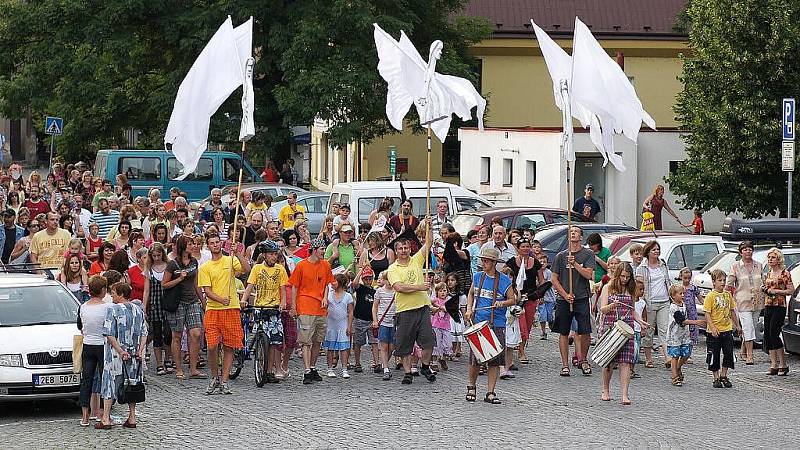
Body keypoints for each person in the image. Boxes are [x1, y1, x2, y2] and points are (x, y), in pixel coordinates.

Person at [198, 233, 250, 395]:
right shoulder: (205, 267)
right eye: (212, 243)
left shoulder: (230, 259)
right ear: (208, 246)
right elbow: (206, 290)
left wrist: (239, 253)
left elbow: (246, 269)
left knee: (229, 346)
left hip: (231, 309)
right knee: (212, 346)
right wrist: (221, 299)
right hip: (213, 310)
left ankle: (225, 381)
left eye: (217, 242)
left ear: (221, 243)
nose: (215, 245)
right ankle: (214, 376)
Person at [464, 247, 517, 404]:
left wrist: (502, 303)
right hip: (479, 322)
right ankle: (471, 386)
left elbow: (513, 300)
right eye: (482, 260)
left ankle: (490, 392)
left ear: (494, 263)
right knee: (475, 359)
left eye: (486, 260)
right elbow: (471, 294)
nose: (483, 262)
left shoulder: (504, 280)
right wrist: (469, 309)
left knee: (494, 360)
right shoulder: (478, 276)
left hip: (497, 323)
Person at [386, 220, 436, 385]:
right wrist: (419, 286)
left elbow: (428, 243)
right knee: (405, 344)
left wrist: (429, 227)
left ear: (410, 249)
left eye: (406, 248)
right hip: (405, 310)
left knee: (428, 340)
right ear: (396, 250)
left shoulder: (416, 260)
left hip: (422, 308)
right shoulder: (393, 269)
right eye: (400, 248)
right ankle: (407, 372)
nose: (403, 251)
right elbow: (399, 287)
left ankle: (425, 366)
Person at [96, 282, 147, 430]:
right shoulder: (138, 309)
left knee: (110, 384)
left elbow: (109, 334)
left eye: (113, 292)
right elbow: (144, 332)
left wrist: (120, 351)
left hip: (115, 355)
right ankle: (132, 417)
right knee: (132, 384)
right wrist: (140, 350)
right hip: (134, 355)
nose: (111, 295)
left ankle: (105, 418)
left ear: (121, 294)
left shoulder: (113, 309)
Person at [597, 263, 649, 404]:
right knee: (608, 362)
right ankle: (605, 390)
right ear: (618, 275)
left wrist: (640, 321)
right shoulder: (608, 287)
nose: (625, 279)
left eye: (627, 277)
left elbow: (632, 311)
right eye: (623, 276)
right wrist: (611, 305)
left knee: (626, 362)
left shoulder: (631, 290)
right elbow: (603, 309)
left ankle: (625, 394)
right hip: (610, 327)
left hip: (627, 328)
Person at [288, 238, 335, 385]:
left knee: (317, 340)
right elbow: (294, 286)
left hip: (320, 309)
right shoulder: (301, 265)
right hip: (305, 306)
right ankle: (307, 370)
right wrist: (294, 307)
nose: (324, 252)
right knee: (306, 341)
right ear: (315, 250)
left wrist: (325, 298)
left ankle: (313, 367)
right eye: (322, 249)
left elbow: (327, 283)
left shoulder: (325, 265)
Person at [550, 226, 595, 377]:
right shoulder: (560, 256)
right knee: (563, 331)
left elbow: (589, 275)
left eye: (576, 232)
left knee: (585, 331)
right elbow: (554, 278)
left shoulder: (587, 254)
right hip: (564, 299)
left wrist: (575, 263)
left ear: (581, 236)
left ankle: (583, 359)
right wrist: (564, 294)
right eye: (571, 232)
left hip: (581, 296)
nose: (573, 233)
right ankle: (564, 365)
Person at [242, 240, 288, 384]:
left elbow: (283, 288)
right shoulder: (257, 269)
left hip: (273, 308)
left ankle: (268, 371)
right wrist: (244, 299)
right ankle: (256, 357)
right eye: (271, 254)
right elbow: (250, 286)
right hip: (260, 307)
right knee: (260, 336)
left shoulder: (280, 269)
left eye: (275, 254)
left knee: (274, 341)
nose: (274, 257)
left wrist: (282, 302)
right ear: (264, 255)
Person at [162, 235, 205, 380]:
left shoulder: (194, 262)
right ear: (182, 246)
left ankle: (193, 368)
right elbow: (165, 284)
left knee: (196, 334)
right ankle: (179, 368)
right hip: (178, 302)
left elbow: (196, 283)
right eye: (190, 244)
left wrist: (203, 302)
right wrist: (179, 278)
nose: (193, 246)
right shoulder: (173, 264)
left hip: (192, 301)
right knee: (177, 336)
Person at [504, 237, 542, 365]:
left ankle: (522, 346)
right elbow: (504, 274)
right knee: (520, 324)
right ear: (518, 248)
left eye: (527, 246)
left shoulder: (535, 263)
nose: (525, 249)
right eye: (523, 247)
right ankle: (520, 351)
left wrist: (540, 295)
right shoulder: (512, 262)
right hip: (516, 297)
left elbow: (541, 280)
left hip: (530, 297)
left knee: (528, 324)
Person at [77, 275, 109, 426]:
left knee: (86, 380)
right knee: (104, 380)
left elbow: (79, 325)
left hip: (87, 345)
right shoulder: (106, 307)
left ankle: (85, 415)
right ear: (103, 290)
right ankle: (101, 413)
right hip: (102, 345)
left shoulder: (83, 307)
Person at [726, 241, 763, 365]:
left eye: (750, 249)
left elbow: (762, 281)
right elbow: (729, 284)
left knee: (751, 326)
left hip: (757, 301)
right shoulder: (735, 266)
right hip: (742, 301)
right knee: (748, 328)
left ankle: (743, 351)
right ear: (741, 252)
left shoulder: (759, 265)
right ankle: (750, 355)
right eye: (745, 249)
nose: (748, 251)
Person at [635, 240, 671, 368]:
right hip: (649, 302)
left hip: (664, 301)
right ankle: (648, 358)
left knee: (664, 330)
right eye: (654, 250)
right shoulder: (642, 268)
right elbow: (639, 287)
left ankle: (667, 357)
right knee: (649, 331)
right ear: (648, 252)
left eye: (658, 249)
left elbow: (667, 281)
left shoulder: (663, 265)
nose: (657, 252)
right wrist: (642, 301)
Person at [704, 269, 741, 388]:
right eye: (720, 280)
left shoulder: (727, 295)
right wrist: (712, 327)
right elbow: (707, 314)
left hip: (727, 329)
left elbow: (732, 311)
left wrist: (737, 325)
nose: (722, 282)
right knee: (714, 354)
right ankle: (716, 377)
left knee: (728, 353)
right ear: (714, 282)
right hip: (714, 331)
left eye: (724, 280)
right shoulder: (710, 296)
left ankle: (724, 375)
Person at [141, 242, 173, 376]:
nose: (156, 258)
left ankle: (168, 358)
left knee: (169, 333)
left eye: (158, 255)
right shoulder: (149, 270)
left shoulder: (168, 266)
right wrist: (144, 305)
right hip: (155, 304)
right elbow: (147, 289)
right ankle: (159, 362)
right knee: (157, 334)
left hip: (168, 303)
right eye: (154, 256)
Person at [762, 247, 794, 376]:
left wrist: (777, 291)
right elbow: (767, 287)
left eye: (773, 257)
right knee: (768, 335)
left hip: (779, 305)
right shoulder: (769, 272)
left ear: (778, 259)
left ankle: (783, 364)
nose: (770, 260)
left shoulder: (784, 273)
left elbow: (790, 290)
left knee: (774, 333)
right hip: (768, 304)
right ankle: (773, 364)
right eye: (769, 257)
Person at [666, 284, 704, 387]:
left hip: (684, 334)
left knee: (687, 353)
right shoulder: (673, 307)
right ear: (673, 296)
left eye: (683, 293)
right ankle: (674, 376)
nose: (683, 295)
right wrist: (696, 322)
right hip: (675, 335)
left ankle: (678, 367)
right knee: (675, 355)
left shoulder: (683, 304)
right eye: (680, 293)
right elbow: (681, 321)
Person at [324, 273, 354, 379]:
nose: (332, 283)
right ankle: (330, 368)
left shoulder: (348, 296)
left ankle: (344, 369)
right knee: (330, 347)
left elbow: (350, 312)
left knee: (344, 348)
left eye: (335, 281)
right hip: (331, 324)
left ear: (340, 283)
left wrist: (349, 326)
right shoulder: (328, 295)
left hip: (343, 323)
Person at [351, 266, 379, 373]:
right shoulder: (360, 289)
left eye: (370, 279)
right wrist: (360, 272)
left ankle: (376, 363)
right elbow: (354, 284)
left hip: (371, 320)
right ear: (363, 279)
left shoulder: (375, 291)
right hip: (360, 319)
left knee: (374, 342)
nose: (368, 281)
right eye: (366, 279)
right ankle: (357, 363)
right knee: (358, 342)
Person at [372, 270, 396, 380]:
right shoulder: (380, 291)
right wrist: (375, 320)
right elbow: (375, 306)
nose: (390, 282)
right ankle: (386, 368)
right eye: (387, 279)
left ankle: (384, 362)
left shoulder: (397, 291)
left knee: (392, 347)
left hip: (394, 322)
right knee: (383, 346)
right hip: (383, 322)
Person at [430, 282, 453, 371]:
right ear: (437, 292)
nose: (443, 293)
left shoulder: (449, 300)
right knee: (436, 344)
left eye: (444, 290)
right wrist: (437, 305)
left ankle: (442, 357)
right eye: (440, 291)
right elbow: (429, 302)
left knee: (447, 343)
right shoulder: (435, 300)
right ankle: (434, 361)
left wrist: (443, 307)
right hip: (436, 325)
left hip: (446, 326)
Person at [537, 254, 556, 339]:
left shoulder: (549, 272)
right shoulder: (537, 272)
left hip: (550, 297)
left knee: (549, 315)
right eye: (540, 262)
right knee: (542, 315)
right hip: (541, 298)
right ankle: (543, 332)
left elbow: (547, 285)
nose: (542, 263)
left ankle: (551, 321)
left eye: (544, 262)